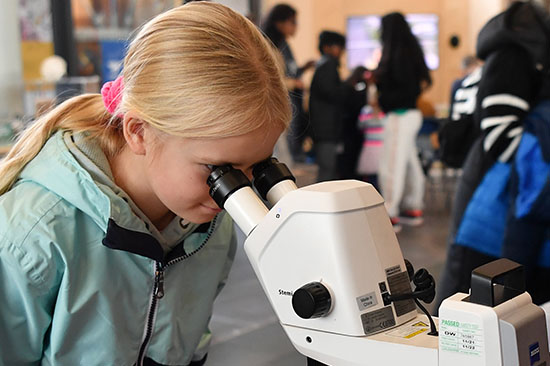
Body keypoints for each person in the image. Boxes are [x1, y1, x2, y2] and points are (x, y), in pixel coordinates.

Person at [0, 3, 290, 365]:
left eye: (256, 167)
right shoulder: (31, 238)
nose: (236, 191)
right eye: (220, 170)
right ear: (138, 132)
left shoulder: (211, 223)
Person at [435, 1, 550, 311]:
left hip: (509, 189)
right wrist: (537, 165)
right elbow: (499, 131)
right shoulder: (513, 56)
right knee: (469, 295)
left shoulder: (522, 54)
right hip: (493, 191)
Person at [374, 12, 432, 231]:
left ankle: (390, 212)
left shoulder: (396, 56)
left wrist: (380, 94)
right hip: (411, 115)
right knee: (408, 163)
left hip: (399, 115)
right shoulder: (411, 53)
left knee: (391, 165)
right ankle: (412, 207)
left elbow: (397, 92)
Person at [262, 3, 315, 164]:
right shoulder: (267, 45)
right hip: (270, 107)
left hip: (281, 104)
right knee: (278, 154)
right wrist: (293, 84)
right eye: (293, 22)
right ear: (279, 22)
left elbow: (286, 72)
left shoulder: (281, 44)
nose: (296, 27)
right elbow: (269, 79)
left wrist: (301, 70)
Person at [309, 30, 360, 182]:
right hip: (326, 128)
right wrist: (349, 84)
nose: (341, 51)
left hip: (323, 127)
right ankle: (321, 205)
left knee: (327, 169)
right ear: (327, 47)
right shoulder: (328, 64)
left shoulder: (323, 64)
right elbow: (332, 93)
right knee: (327, 170)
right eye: (338, 47)